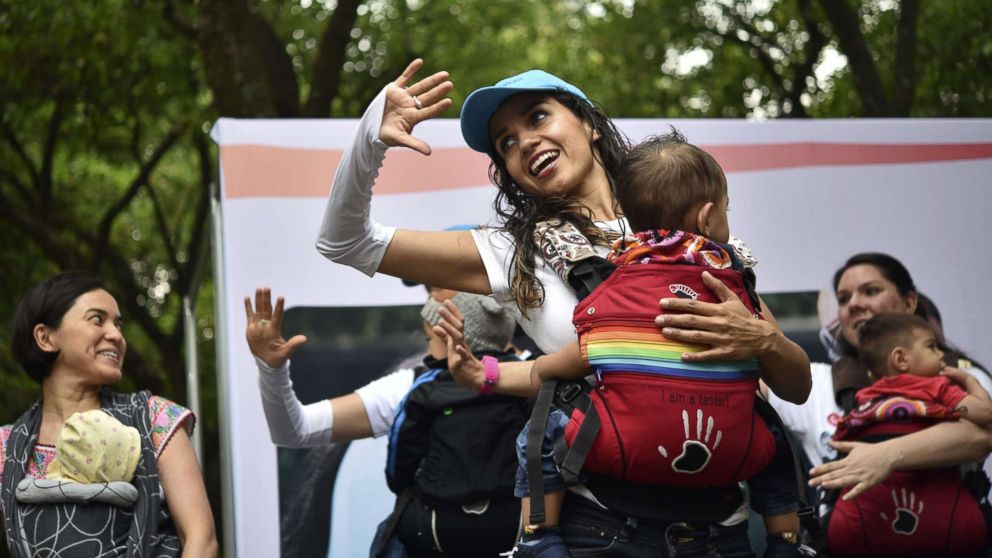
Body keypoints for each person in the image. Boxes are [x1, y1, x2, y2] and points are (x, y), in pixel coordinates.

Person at [316, 58, 811, 556]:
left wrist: (763, 340)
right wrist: (370, 138)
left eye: (537, 117)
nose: (524, 141)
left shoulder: (683, 224)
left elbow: (794, 386)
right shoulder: (512, 255)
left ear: (590, 124)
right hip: (599, 532)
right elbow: (343, 242)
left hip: (722, 532)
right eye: (506, 142)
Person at [446, 131, 806, 557]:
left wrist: (497, 373)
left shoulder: (614, 283)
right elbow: (797, 391)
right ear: (709, 217)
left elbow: (574, 357)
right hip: (726, 462)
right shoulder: (734, 285)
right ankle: (788, 541)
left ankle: (537, 535)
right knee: (775, 435)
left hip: (620, 460)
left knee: (544, 428)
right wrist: (760, 336)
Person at [244, 286, 529, 557]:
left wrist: (273, 370)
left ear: (447, 335)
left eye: (428, 339)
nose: (426, 350)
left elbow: (294, 431)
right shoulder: (538, 378)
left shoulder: (411, 387)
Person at [1, 271, 217, 558]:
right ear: (45, 337)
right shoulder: (5, 447)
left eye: (119, 324)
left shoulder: (155, 419)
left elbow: (201, 539)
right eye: (97, 319)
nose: (116, 335)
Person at [765, 253, 992, 503]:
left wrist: (885, 455)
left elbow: (981, 437)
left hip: (955, 538)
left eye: (871, 291)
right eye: (843, 299)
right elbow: (749, 384)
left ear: (909, 302)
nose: (854, 304)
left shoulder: (958, 374)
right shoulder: (817, 382)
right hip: (846, 538)